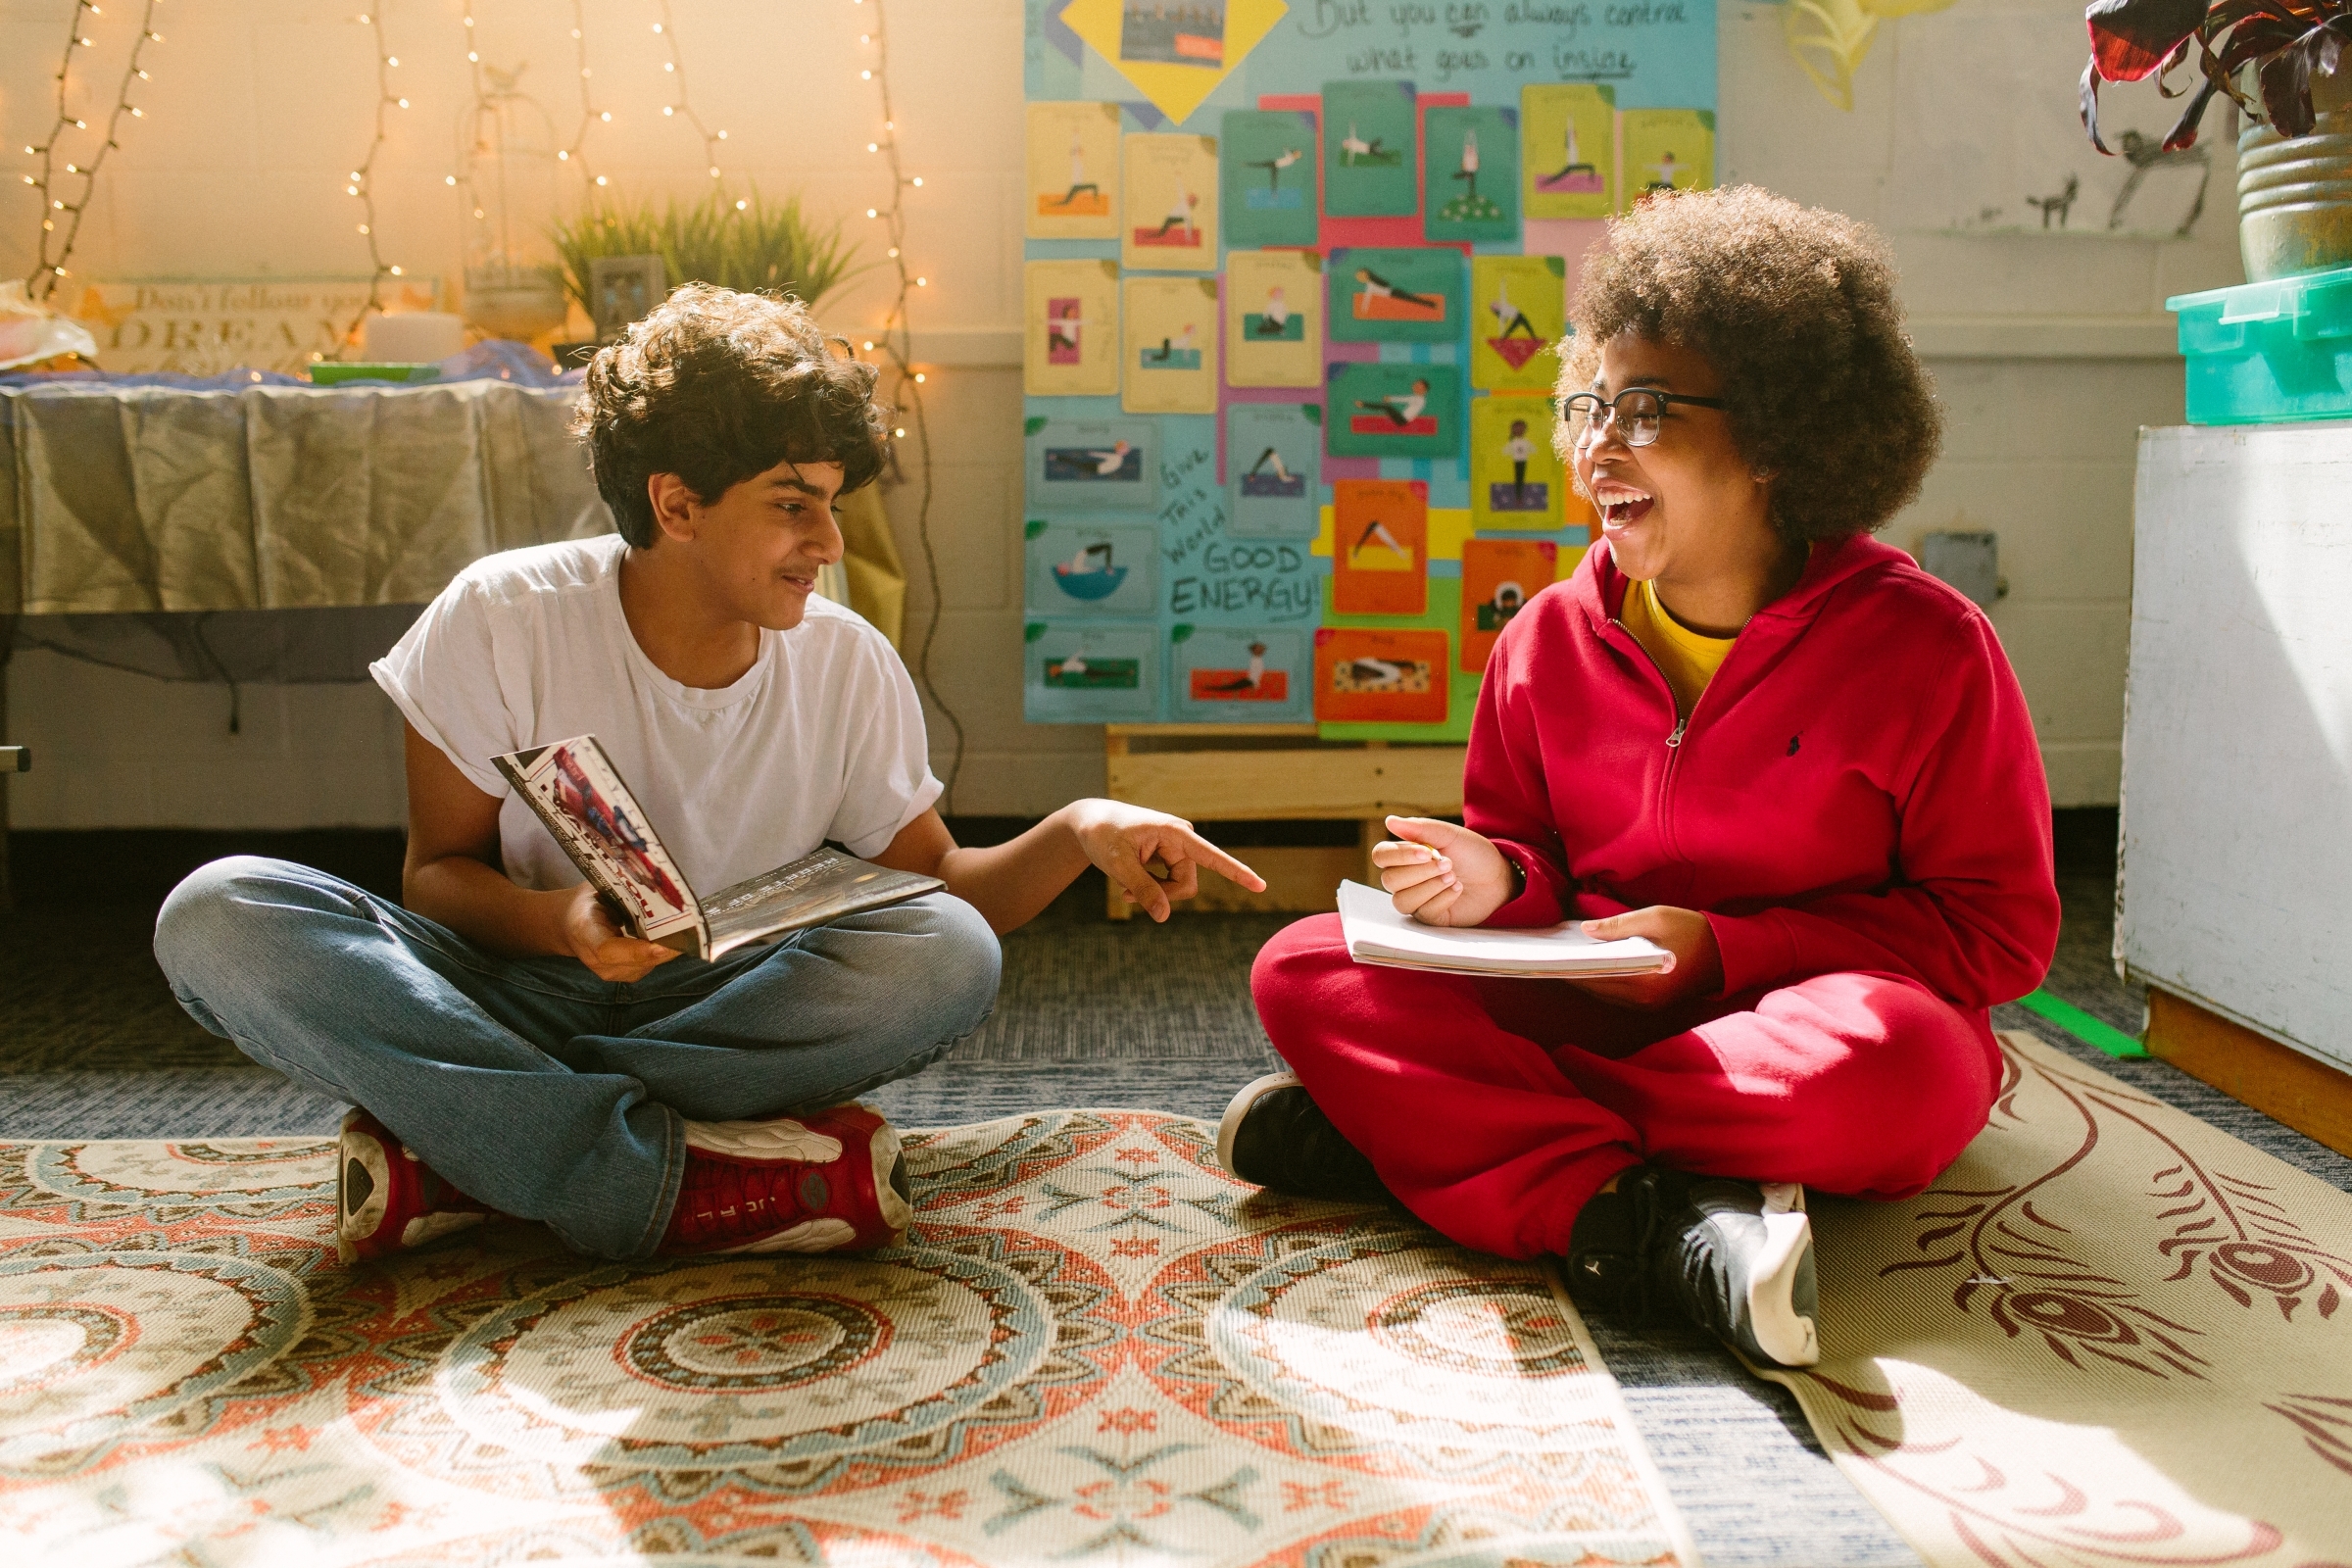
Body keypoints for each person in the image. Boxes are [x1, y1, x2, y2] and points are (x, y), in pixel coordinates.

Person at [154, 285, 1263, 1267]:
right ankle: (643, 1174)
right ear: (677, 504)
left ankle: (476, 1140)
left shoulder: (844, 661)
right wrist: (568, 922)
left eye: (831, 501)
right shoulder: (500, 615)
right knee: (218, 912)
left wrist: (1077, 827)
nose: (828, 540)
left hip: (723, 1012)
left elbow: (940, 893)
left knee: (945, 955)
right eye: (794, 503)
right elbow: (436, 878)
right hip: (514, 988)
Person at [1219, 186, 2056, 1372]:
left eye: (1647, 410)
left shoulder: (1929, 646)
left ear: (1775, 436)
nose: (1596, 444)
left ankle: (1435, 1138)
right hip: (1598, 1002)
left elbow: (1999, 934)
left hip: (1800, 1026)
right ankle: (1642, 1218)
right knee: (1302, 965)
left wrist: (1725, 953)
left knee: (1905, 1068)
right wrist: (1489, 880)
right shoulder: (1543, 641)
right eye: (1588, 406)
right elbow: (1533, 869)